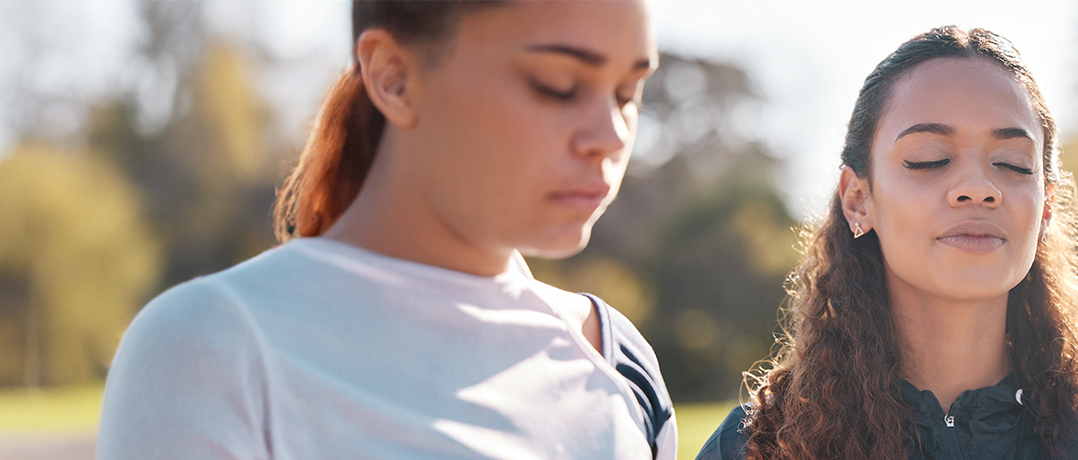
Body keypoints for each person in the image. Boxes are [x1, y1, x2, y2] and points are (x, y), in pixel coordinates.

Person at [97, 1, 674, 458]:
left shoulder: (618, 362)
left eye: (628, 93)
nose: (612, 135)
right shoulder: (212, 345)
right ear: (393, 77)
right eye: (557, 84)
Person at [696, 26, 1078, 460]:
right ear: (858, 199)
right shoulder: (760, 446)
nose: (978, 186)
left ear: (1046, 208)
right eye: (929, 158)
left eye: (1013, 164)